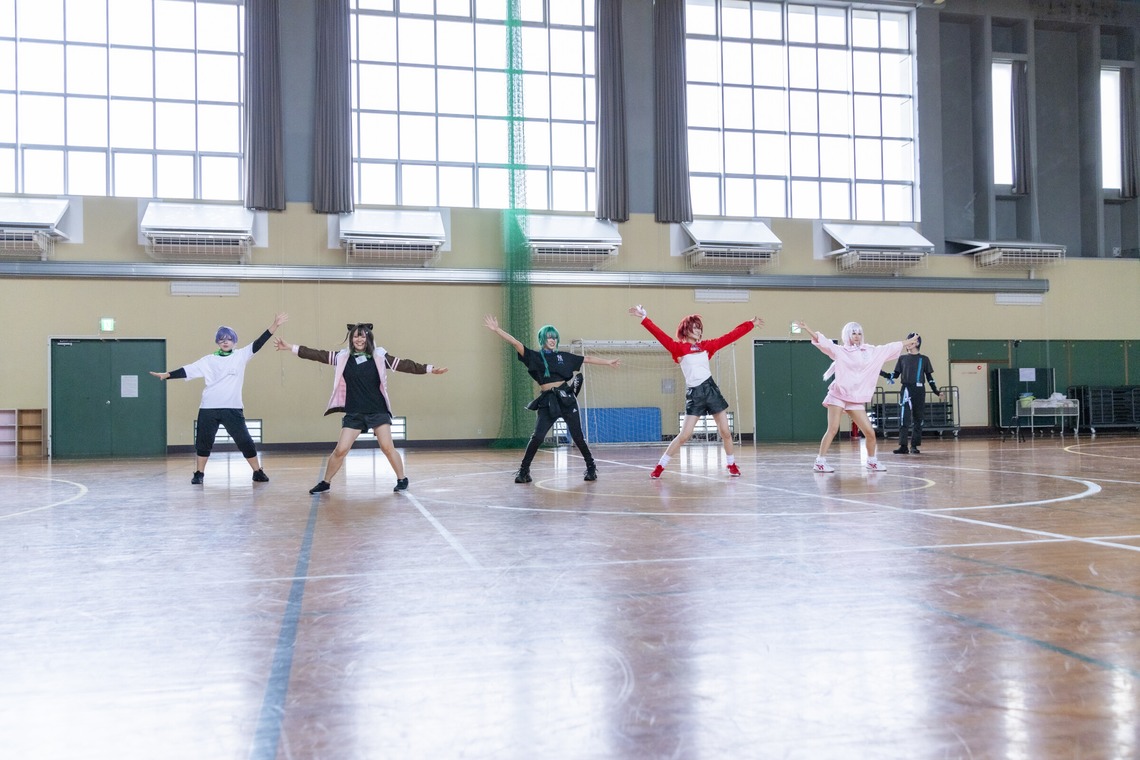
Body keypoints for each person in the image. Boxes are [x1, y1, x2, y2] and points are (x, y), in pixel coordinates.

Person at [274, 323, 448, 494]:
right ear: (351, 339)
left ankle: (402, 479)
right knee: (340, 450)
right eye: (356, 336)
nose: (359, 339)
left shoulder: (379, 356)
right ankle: (325, 482)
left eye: (362, 336)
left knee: (387, 447)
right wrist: (290, 347)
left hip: (377, 410)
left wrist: (430, 369)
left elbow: (405, 365)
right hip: (355, 412)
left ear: (368, 338)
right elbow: (316, 354)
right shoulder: (342, 357)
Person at [150, 313, 288, 485]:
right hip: (209, 408)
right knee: (203, 441)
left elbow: (259, 342)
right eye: (222, 339)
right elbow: (188, 370)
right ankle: (199, 473)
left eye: (229, 339)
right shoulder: (209, 360)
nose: (225, 341)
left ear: (234, 342)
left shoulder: (241, 355)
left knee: (245, 440)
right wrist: (167, 375)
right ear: (217, 342)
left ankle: (257, 471)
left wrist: (274, 325)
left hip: (232, 408)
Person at [628, 306, 763, 479]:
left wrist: (750, 324)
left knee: (725, 432)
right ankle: (660, 466)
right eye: (695, 327)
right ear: (686, 329)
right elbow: (660, 336)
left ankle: (731, 464)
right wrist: (645, 319)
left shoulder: (707, 346)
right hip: (695, 395)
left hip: (711, 390)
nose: (699, 330)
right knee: (684, 435)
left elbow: (730, 336)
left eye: (700, 328)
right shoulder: (677, 348)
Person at [483, 314, 619, 484]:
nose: (552, 340)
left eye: (554, 337)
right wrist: (497, 330)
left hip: (566, 399)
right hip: (547, 401)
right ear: (542, 339)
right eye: (549, 337)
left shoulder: (564, 356)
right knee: (537, 437)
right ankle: (524, 471)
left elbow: (588, 359)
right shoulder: (535, 357)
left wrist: (608, 362)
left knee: (577, 436)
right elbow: (516, 343)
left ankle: (591, 468)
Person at [795, 321, 918, 473]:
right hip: (838, 394)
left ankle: (872, 461)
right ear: (848, 335)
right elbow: (825, 343)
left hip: (855, 398)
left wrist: (908, 341)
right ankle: (820, 462)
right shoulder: (840, 351)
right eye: (854, 333)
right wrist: (809, 330)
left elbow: (889, 347)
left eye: (859, 333)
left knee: (870, 432)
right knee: (833, 429)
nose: (857, 336)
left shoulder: (870, 351)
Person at [888, 332, 941, 454]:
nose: (908, 343)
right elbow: (895, 375)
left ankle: (914, 446)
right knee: (904, 418)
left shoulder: (924, 359)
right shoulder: (902, 359)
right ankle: (903, 446)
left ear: (917, 342)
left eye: (910, 340)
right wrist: (880, 372)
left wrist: (936, 391)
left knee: (918, 419)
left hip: (919, 390)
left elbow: (929, 377)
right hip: (906, 390)